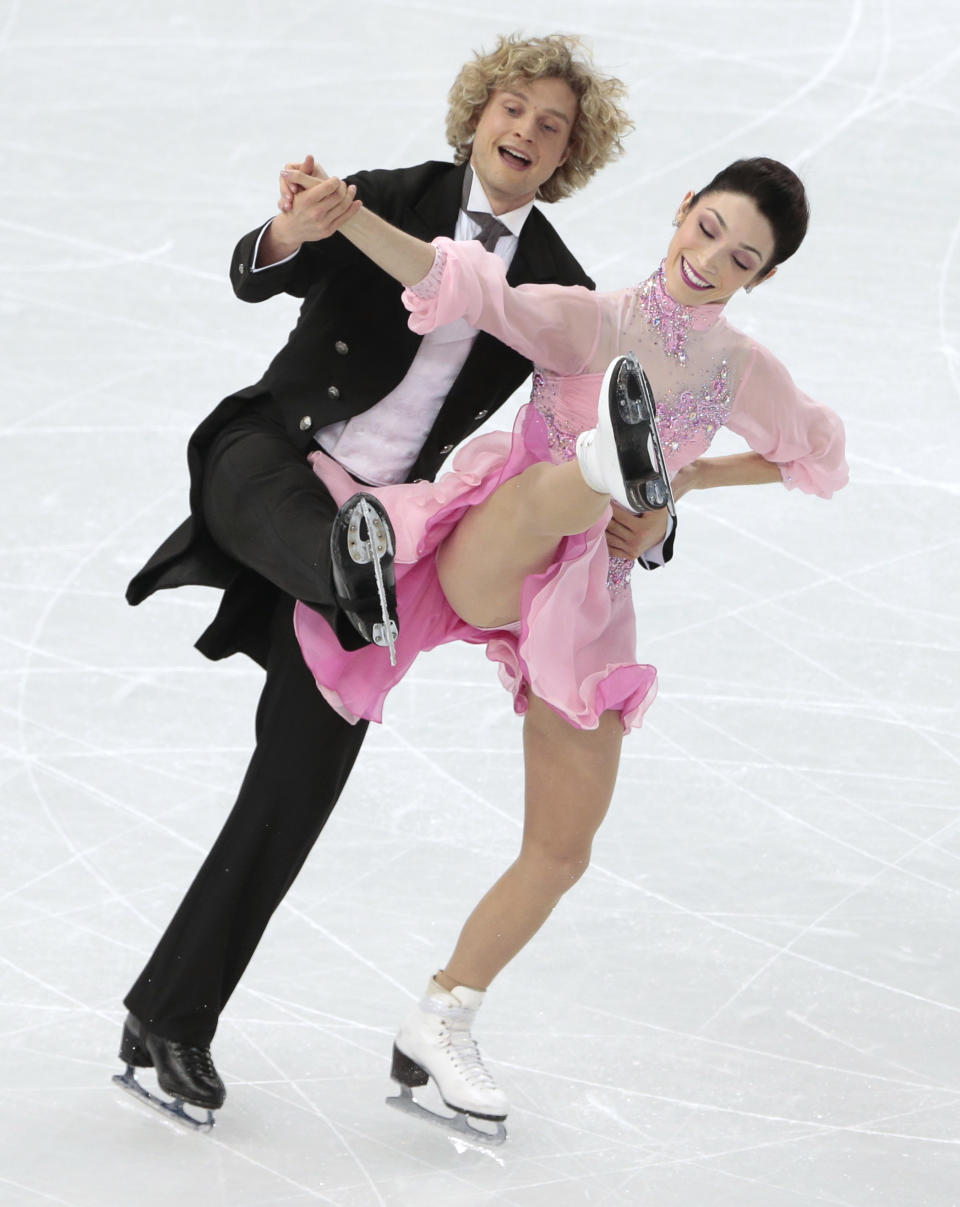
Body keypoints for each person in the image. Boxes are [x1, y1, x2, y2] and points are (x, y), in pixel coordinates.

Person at [115, 34, 638, 1125]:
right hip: (268, 461)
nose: (527, 132)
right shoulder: (388, 196)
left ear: (570, 155)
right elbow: (260, 271)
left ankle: (171, 1013)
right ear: (478, 112)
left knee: (299, 782)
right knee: (331, 547)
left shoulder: (557, 286)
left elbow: (580, 415)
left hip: (386, 515)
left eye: (553, 126)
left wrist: (635, 503)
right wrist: (286, 231)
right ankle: (349, 572)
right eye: (514, 108)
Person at [281, 156, 849, 1138]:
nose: (710, 259)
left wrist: (687, 486)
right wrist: (352, 217)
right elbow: (462, 282)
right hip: (495, 548)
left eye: (741, 256)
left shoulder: (739, 371)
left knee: (563, 847)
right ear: (683, 210)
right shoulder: (596, 320)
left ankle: (443, 1014)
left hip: (588, 603)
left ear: (763, 276)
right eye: (706, 228)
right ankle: (605, 459)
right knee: (561, 491)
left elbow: (816, 454)